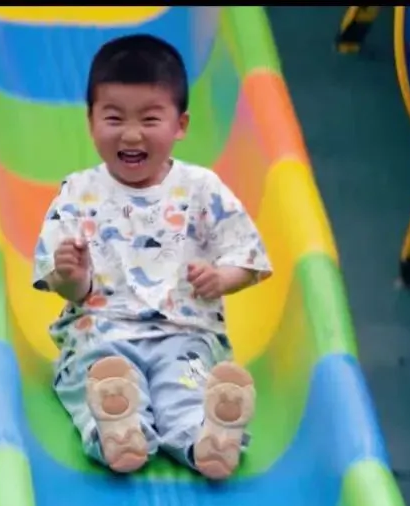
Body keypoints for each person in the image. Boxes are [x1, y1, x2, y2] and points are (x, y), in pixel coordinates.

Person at [31, 33, 272, 480]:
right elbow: (71, 289)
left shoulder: (202, 188)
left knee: (189, 387)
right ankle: (121, 427)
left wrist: (222, 278)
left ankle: (210, 438)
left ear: (180, 125)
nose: (131, 133)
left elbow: (248, 257)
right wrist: (71, 274)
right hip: (101, 331)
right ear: (90, 121)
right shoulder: (79, 192)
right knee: (98, 375)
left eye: (149, 119)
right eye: (114, 117)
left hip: (185, 334)